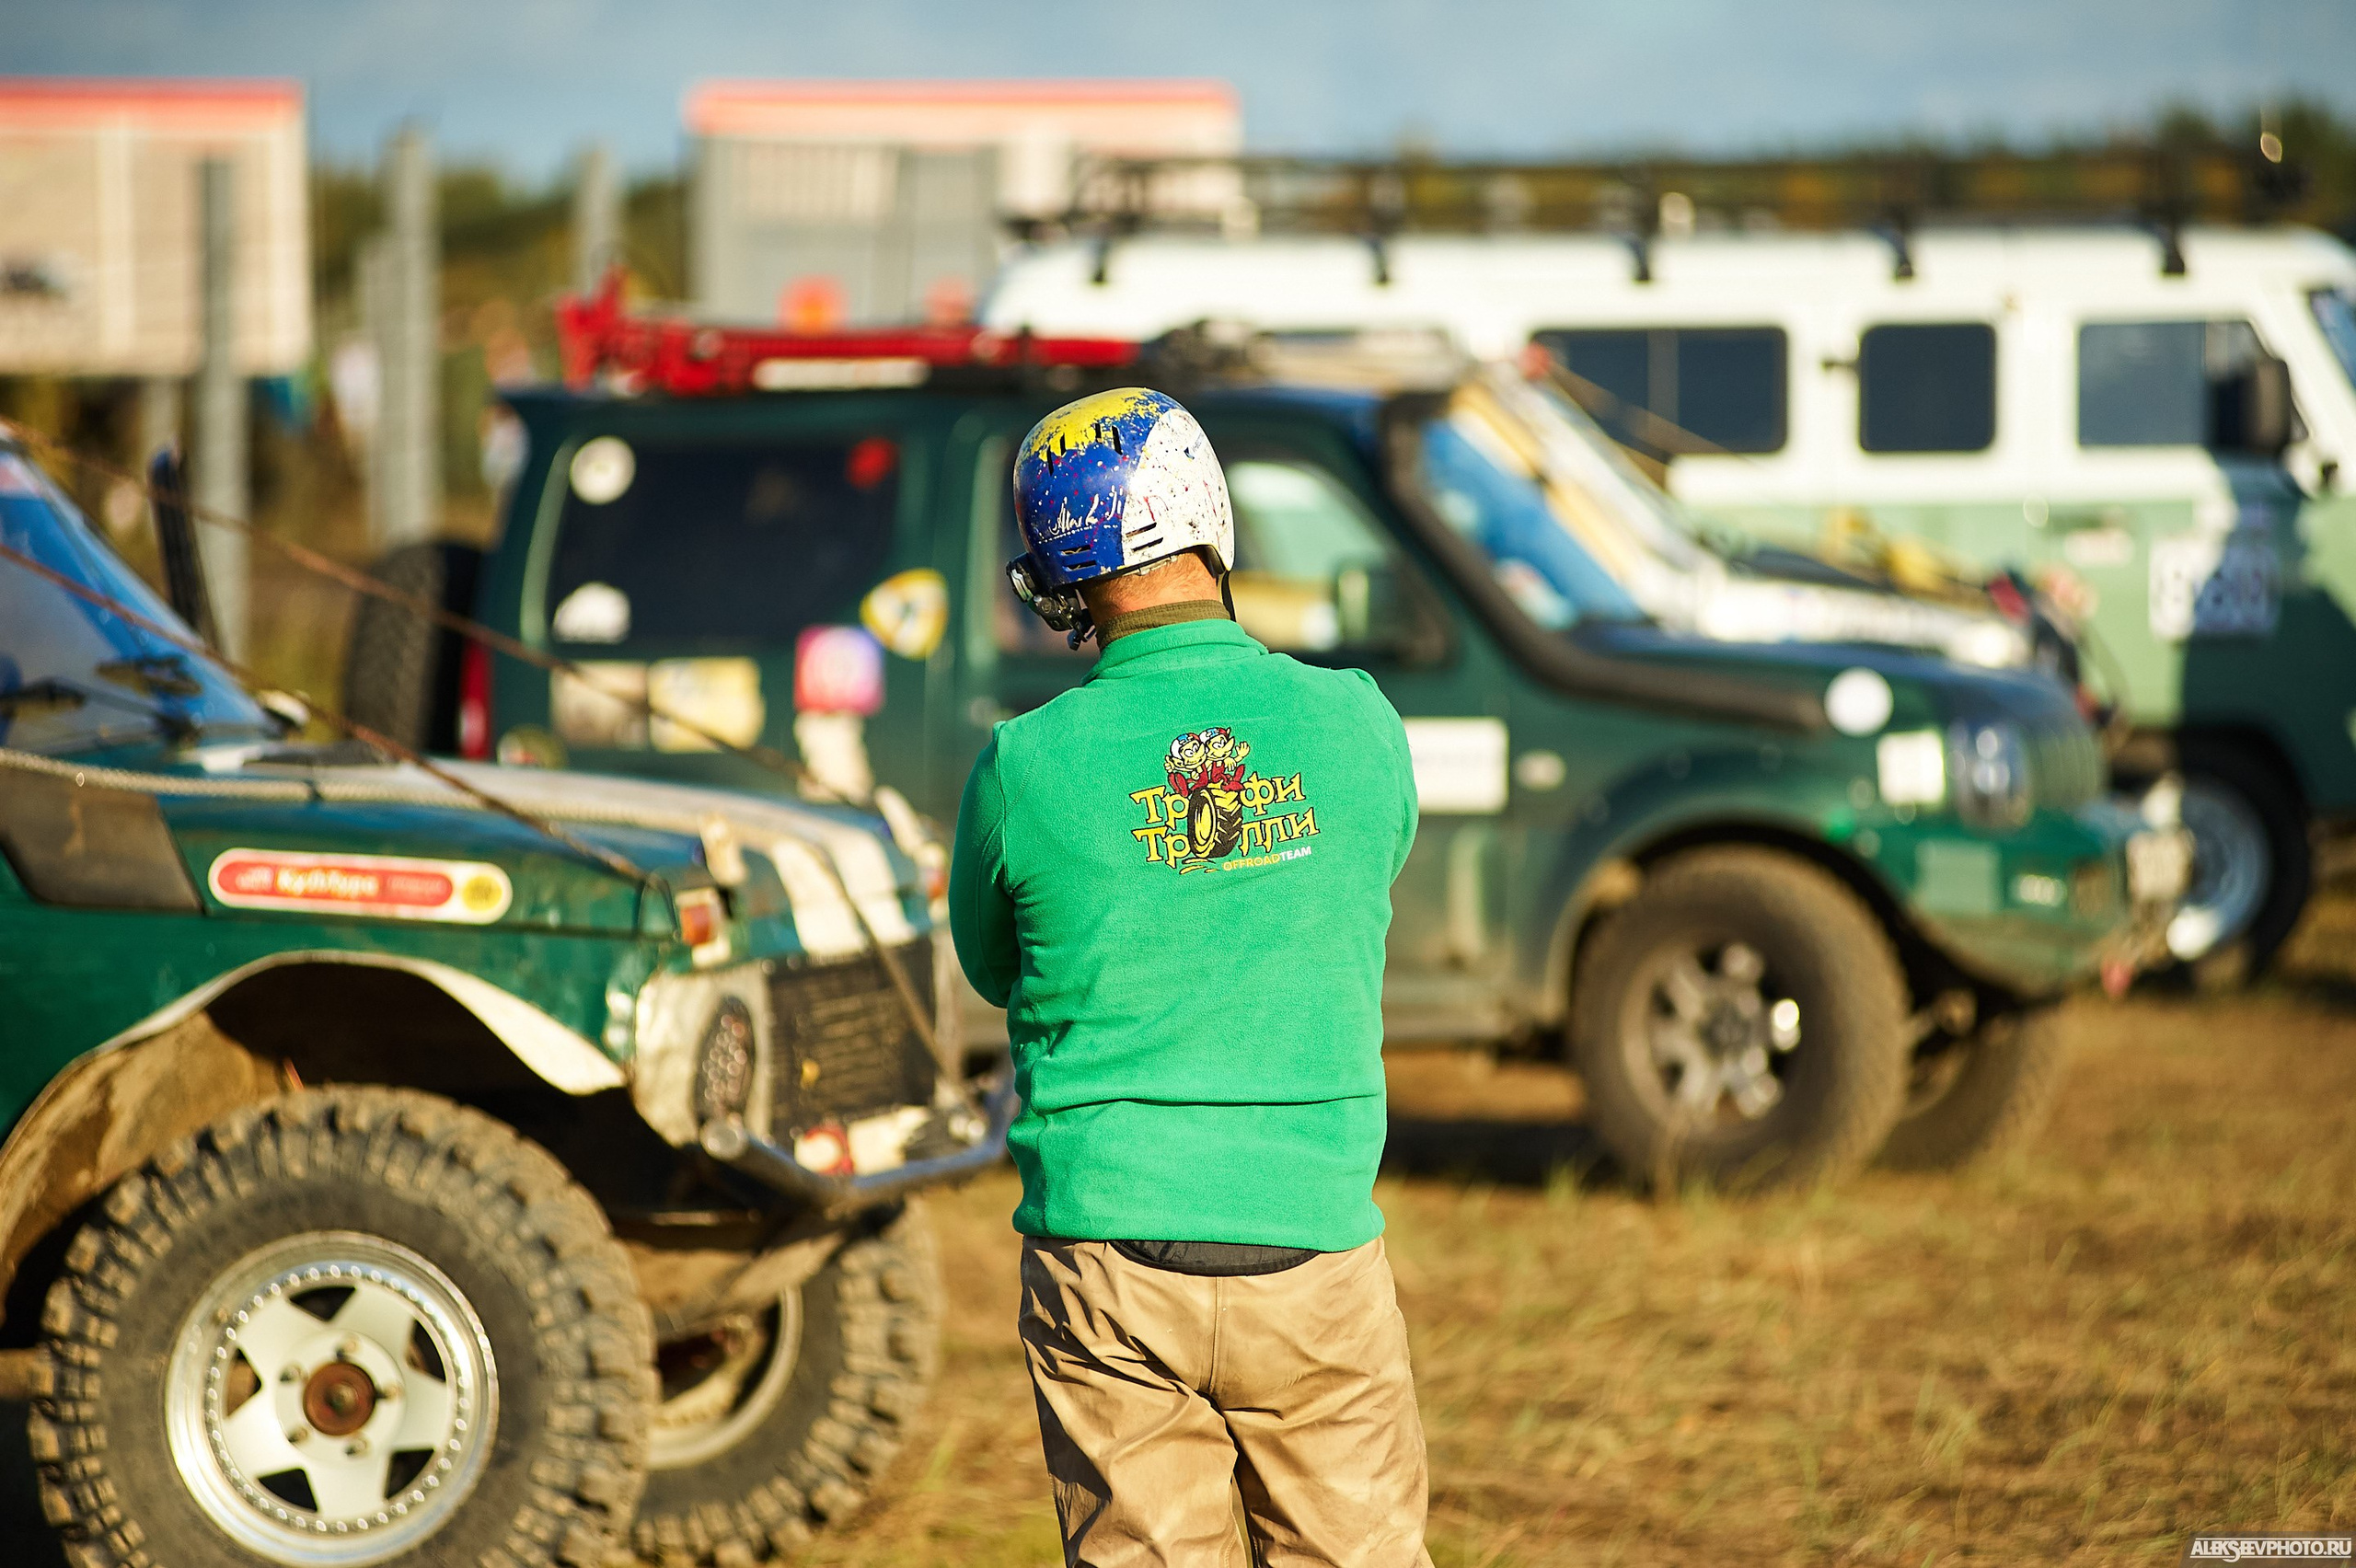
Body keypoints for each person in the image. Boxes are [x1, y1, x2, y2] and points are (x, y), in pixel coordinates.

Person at [949, 386, 1432, 1567]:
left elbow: (986, 964)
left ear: (1059, 576)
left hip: (1106, 1260)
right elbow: (1373, 867)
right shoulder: (1355, 722)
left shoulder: (1024, 762)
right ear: (1208, 518)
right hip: (1311, 1240)